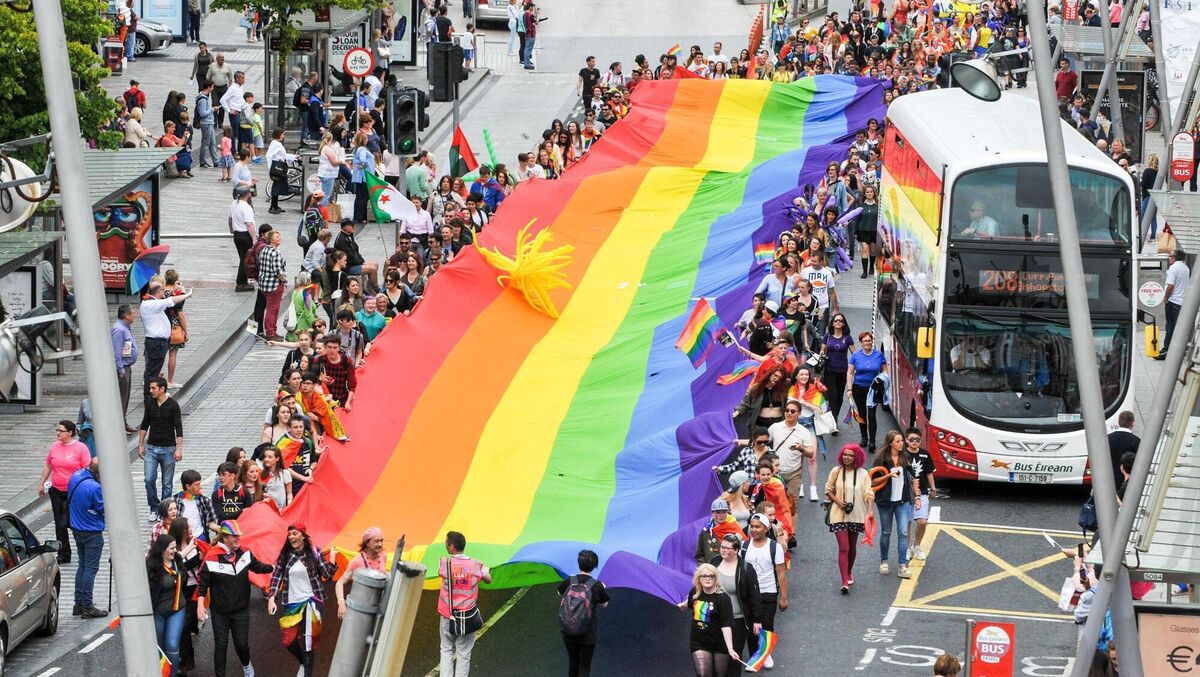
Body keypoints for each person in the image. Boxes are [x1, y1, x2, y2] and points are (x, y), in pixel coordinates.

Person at [197, 521, 273, 677]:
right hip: (220, 613)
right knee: (221, 645)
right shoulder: (211, 558)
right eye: (234, 536)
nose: (238, 539)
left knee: (242, 645)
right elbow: (203, 584)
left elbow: (258, 567)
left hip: (241, 611)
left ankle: (247, 666)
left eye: (239, 536)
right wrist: (200, 604)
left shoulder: (245, 553)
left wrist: (275, 566)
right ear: (225, 538)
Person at [267, 525, 337, 677]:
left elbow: (328, 575)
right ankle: (303, 663)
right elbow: (277, 576)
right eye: (289, 534)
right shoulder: (285, 555)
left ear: (303, 536)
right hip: (291, 603)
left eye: (294, 533)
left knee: (307, 642)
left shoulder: (314, 552)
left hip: (312, 601)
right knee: (289, 641)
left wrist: (332, 558)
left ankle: (306, 673)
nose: (291, 537)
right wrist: (271, 598)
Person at [438, 530, 492, 676]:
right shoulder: (476, 565)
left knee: (446, 648)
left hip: (447, 615)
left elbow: (440, 572)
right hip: (468, 616)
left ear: (451, 547)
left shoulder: (445, 562)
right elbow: (488, 579)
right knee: (464, 653)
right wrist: (485, 570)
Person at [38, 420, 90, 564]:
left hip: (74, 492)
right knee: (59, 523)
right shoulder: (54, 447)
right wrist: (41, 482)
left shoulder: (81, 448)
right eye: (57, 430)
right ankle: (64, 553)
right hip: (56, 491)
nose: (58, 433)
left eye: (61, 431)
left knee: (73, 522)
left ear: (70, 432)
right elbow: (48, 465)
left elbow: (87, 469)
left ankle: (83, 549)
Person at [825, 443, 874, 593]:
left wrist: (870, 510)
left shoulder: (863, 474)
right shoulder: (836, 471)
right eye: (845, 454)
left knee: (852, 547)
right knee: (844, 547)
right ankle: (844, 581)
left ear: (857, 457)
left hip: (857, 514)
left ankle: (848, 572)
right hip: (838, 514)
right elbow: (828, 490)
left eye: (851, 455)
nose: (847, 457)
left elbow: (868, 493)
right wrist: (838, 502)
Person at [872, 431, 920, 579]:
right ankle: (884, 561)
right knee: (886, 532)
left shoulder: (905, 458)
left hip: (902, 501)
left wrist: (917, 496)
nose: (901, 444)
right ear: (890, 443)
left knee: (903, 533)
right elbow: (873, 481)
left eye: (901, 441)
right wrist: (888, 475)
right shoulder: (881, 459)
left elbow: (913, 479)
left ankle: (902, 566)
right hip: (885, 501)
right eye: (898, 441)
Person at [711, 534, 760, 677]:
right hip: (716, 618)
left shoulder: (746, 568)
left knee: (734, 655)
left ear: (736, 550)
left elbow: (754, 595)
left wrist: (757, 620)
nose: (723, 550)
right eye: (722, 547)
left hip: (737, 620)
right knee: (718, 652)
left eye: (727, 548)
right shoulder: (714, 562)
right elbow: (703, 582)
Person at [679, 562, 740, 675]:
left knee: (719, 674)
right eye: (704, 576)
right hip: (699, 642)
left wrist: (730, 649)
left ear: (715, 578)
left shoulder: (723, 598)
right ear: (699, 578)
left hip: (719, 643)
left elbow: (726, 625)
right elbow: (690, 603)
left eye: (711, 576)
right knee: (703, 674)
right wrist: (682, 605)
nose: (707, 579)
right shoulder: (695, 592)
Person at [740, 514, 784, 669]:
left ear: (766, 529)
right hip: (750, 593)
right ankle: (755, 656)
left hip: (768, 591)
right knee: (752, 625)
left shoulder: (774, 547)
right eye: (751, 526)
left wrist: (783, 597)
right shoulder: (744, 546)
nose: (753, 529)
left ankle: (764, 652)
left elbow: (780, 573)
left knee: (766, 623)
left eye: (757, 526)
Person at [558, 549, 610, 677]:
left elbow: (559, 592)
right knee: (584, 666)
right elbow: (605, 604)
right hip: (588, 632)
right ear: (594, 566)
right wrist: (603, 587)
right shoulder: (597, 585)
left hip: (568, 630)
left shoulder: (571, 580)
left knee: (573, 662)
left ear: (579, 564)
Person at [139, 377, 184, 522]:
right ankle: (153, 507)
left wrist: (179, 448)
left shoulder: (173, 405)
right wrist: (140, 444)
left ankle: (164, 510)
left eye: (153, 388)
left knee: (167, 482)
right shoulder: (150, 404)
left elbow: (178, 427)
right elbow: (145, 424)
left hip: (168, 449)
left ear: (162, 389)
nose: (150, 390)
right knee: (148, 479)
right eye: (150, 388)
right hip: (151, 447)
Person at [147, 533, 193, 676]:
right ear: (162, 550)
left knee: (172, 646)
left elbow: (184, 579)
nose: (174, 551)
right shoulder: (152, 566)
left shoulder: (177, 560)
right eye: (171, 548)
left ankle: (172, 674)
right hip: (158, 612)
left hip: (177, 609)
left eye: (175, 548)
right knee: (159, 648)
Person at [68, 458, 107, 617]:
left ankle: (78, 603)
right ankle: (87, 607)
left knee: (82, 566)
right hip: (91, 531)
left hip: (77, 528)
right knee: (90, 569)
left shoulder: (76, 477)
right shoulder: (95, 487)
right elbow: (103, 508)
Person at [141, 282, 193, 400]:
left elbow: (173, 305)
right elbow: (171, 302)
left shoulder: (152, 302)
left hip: (159, 342)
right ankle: (149, 396)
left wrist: (180, 293)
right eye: (163, 290)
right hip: (156, 343)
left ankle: (154, 394)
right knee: (152, 372)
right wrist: (187, 294)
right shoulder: (151, 304)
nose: (164, 292)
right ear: (159, 291)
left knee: (155, 370)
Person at [768, 400, 817, 517]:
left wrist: (801, 448)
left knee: (792, 505)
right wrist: (739, 442)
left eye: (792, 411)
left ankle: (791, 533)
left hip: (794, 473)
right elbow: (762, 441)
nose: (789, 413)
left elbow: (811, 453)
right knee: (772, 505)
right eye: (787, 410)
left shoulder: (803, 432)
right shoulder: (775, 427)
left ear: (799, 414)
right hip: (775, 473)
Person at [846, 331, 887, 451]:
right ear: (861, 343)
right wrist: (849, 389)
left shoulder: (879, 355)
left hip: (873, 389)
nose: (867, 343)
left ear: (872, 342)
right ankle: (864, 438)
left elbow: (885, 371)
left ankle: (872, 441)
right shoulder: (856, 356)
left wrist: (882, 380)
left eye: (869, 341)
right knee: (862, 414)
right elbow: (850, 372)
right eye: (865, 341)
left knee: (872, 415)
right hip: (858, 387)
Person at [336, 527, 387, 618]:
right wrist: (341, 603)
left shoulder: (383, 555)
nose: (380, 544)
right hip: (361, 609)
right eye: (376, 541)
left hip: (378, 607)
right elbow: (339, 583)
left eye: (381, 541)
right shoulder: (357, 561)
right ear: (367, 542)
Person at [905, 427, 936, 562]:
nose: (914, 442)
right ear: (906, 440)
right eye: (911, 439)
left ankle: (917, 546)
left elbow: (929, 472)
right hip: (905, 493)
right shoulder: (901, 455)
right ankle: (907, 548)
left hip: (922, 492)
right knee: (906, 523)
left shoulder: (925, 454)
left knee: (922, 522)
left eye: (917, 439)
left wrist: (933, 488)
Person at [111, 304, 139, 433]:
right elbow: (116, 352)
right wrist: (120, 370)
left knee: (126, 396)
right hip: (123, 369)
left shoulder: (126, 327)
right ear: (126, 315)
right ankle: (119, 424)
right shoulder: (119, 330)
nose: (135, 315)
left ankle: (123, 421)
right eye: (133, 313)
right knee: (122, 397)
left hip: (127, 366)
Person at [1156, 248, 1189, 359]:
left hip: (1173, 302)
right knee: (1176, 327)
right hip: (1181, 302)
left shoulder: (1173, 268)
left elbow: (1170, 286)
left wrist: (1166, 298)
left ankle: (1166, 351)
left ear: (1174, 258)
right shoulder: (1185, 268)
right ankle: (1177, 351)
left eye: (1170, 256)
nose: (1168, 258)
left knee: (1170, 327)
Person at [257, 229, 288, 341]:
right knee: (273, 309)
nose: (279, 238)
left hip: (264, 284)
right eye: (277, 237)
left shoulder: (264, 250)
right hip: (274, 285)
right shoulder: (275, 253)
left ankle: (272, 330)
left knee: (271, 308)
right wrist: (284, 281)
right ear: (271, 240)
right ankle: (270, 332)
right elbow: (279, 272)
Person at [696, 499, 748, 564]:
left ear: (727, 512)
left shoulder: (734, 528)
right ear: (712, 513)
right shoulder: (706, 531)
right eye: (718, 512)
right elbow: (699, 555)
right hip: (711, 570)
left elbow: (743, 550)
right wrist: (704, 568)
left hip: (729, 568)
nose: (721, 515)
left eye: (724, 512)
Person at [175, 469, 219, 543]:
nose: (200, 487)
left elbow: (211, 523)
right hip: (182, 540)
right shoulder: (175, 501)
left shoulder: (205, 501)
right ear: (188, 486)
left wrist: (222, 529)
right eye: (197, 484)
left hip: (200, 538)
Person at [265, 127, 296, 214]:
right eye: (283, 134)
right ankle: (272, 207)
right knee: (276, 187)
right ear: (279, 134)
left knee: (278, 187)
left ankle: (275, 205)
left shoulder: (277, 144)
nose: (284, 136)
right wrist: (270, 169)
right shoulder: (275, 144)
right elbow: (269, 156)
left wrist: (294, 157)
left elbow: (284, 155)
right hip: (277, 169)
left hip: (279, 169)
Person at [1107, 411, 1139, 481]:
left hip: (1108, 481)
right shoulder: (1136, 441)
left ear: (1118, 422)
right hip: (1128, 482)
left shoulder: (1107, 439)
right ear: (1132, 423)